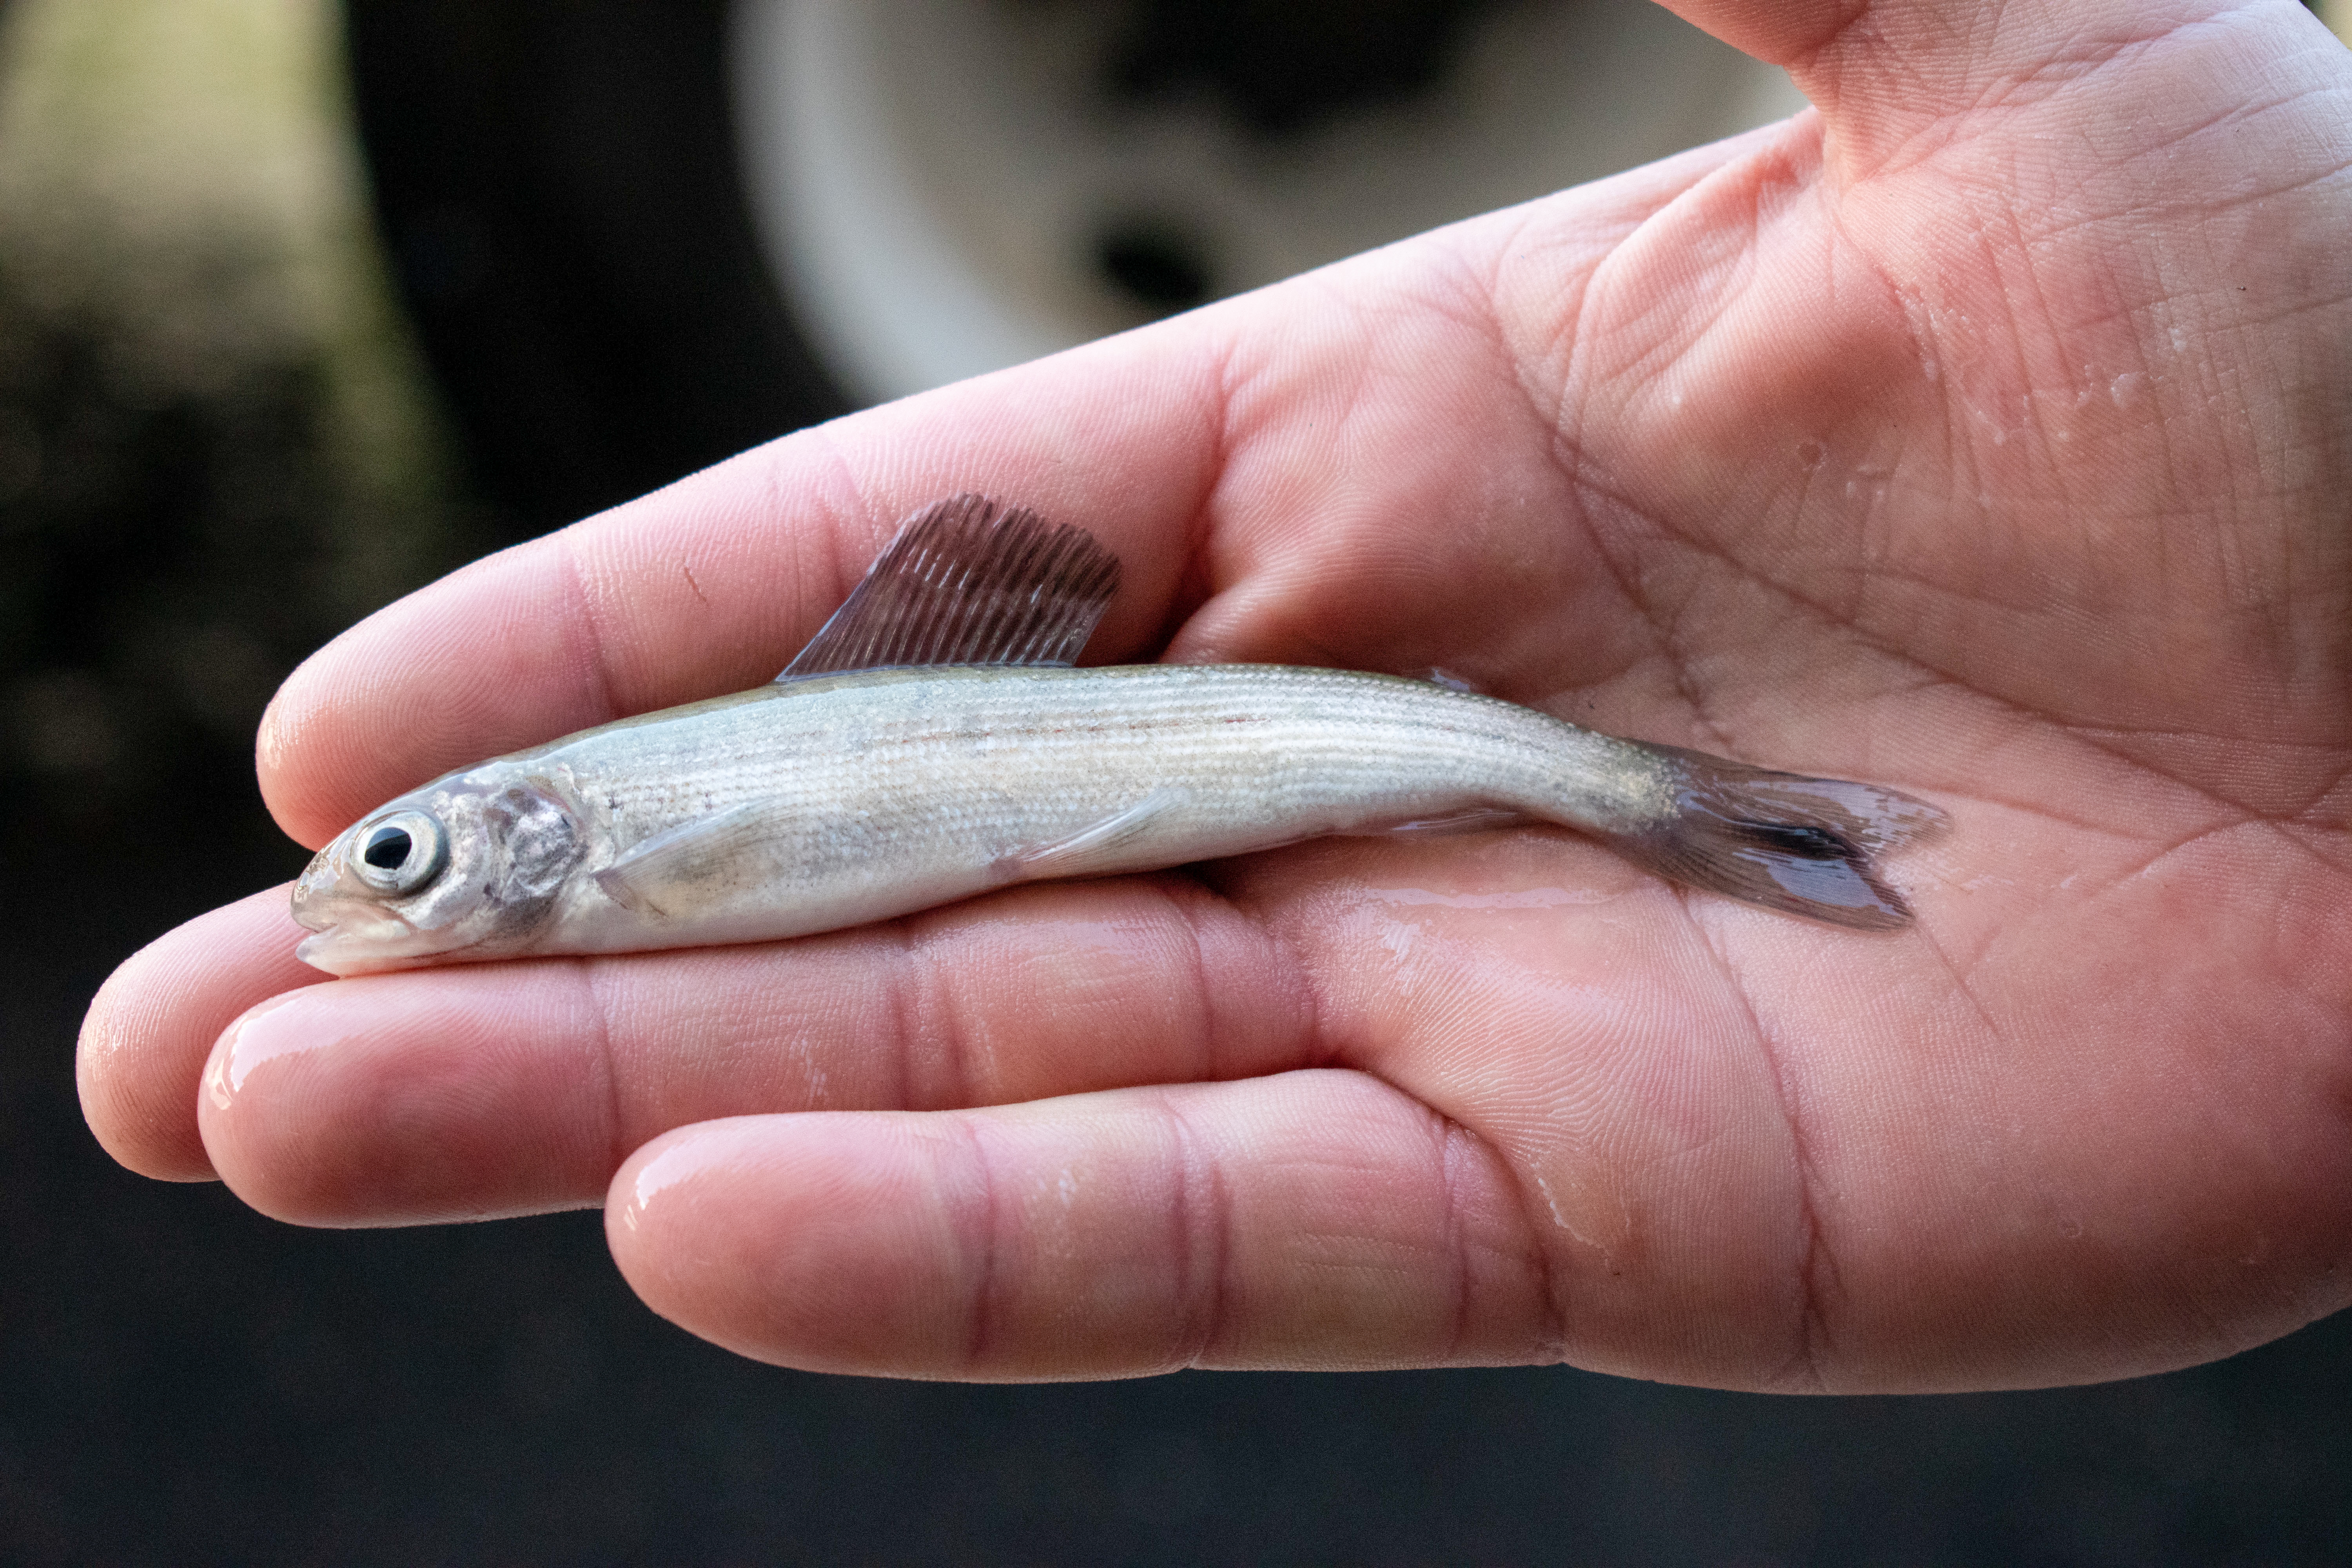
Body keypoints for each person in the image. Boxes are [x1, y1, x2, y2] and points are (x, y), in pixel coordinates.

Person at [75, 0, 2352, 1391]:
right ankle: (1649, 798)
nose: (381, 885)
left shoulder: (595, 836)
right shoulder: (580, 852)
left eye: (404, 857)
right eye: (395, 859)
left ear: (522, 834)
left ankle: (1644, 794)